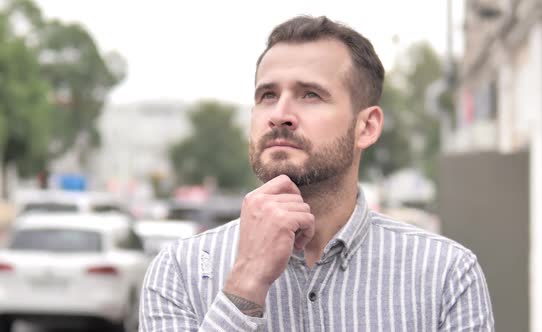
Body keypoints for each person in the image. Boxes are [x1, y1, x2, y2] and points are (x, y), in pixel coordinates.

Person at [140, 15, 494, 331]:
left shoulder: (445, 275)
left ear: (367, 126)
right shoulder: (180, 273)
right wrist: (245, 286)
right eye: (267, 95)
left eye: (310, 94)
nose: (279, 114)